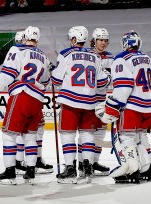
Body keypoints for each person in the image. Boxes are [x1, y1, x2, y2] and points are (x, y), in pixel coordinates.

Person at [0, 26, 50, 185]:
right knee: (30, 136)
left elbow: (8, 75)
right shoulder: (43, 56)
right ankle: (30, 170)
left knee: (9, 134)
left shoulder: (17, 49)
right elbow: (46, 81)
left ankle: (10, 172)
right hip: (37, 100)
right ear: (37, 39)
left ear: (24, 36)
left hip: (21, 95)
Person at [96, 31, 151, 183]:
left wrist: (111, 108)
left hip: (132, 106)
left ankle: (131, 170)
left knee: (126, 137)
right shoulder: (146, 58)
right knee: (142, 136)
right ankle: (146, 167)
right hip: (149, 105)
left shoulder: (121, 59)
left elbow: (123, 88)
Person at [51, 26, 109, 184]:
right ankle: (88, 168)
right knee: (87, 135)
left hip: (70, 101)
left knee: (68, 135)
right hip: (90, 102)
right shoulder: (94, 56)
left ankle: (70, 169)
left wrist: (53, 71)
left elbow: (56, 80)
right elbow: (104, 81)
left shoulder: (66, 54)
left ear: (74, 39)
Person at [13, 31, 53, 175]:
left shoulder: (23, 52)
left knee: (37, 128)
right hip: (22, 96)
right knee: (19, 131)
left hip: (31, 98)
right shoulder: (20, 53)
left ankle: (35, 159)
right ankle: (18, 160)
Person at [78, 28, 113, 176]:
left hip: (102, 100)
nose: (103, 43)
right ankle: (82, 162)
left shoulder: (109, 57)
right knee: (87, 132)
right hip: (88, 99)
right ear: (94, 40)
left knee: (100, 132)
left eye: (105, 40)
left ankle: (94, 161)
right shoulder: (86, 55)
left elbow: (111, 80)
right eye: (100, 40)